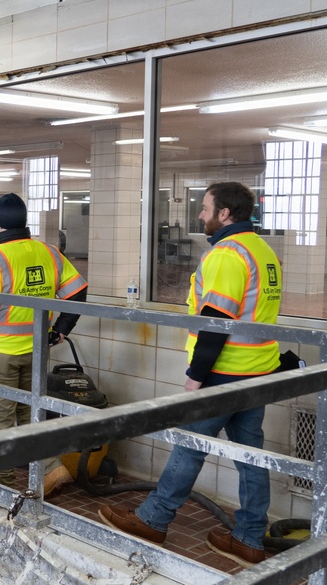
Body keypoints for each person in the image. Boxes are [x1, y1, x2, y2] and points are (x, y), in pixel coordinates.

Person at [99, 182, 281, 568]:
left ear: (225, 213)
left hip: (224, 371)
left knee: (189, 446)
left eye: (205, 207)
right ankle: (248, 538)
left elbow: (216, 321)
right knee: (250, 456)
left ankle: (153, 519)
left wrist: (197, 375)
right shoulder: (264, 251)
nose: (200, 214)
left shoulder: (228, 254)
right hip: (258, 369)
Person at [0, 193, 88, 496]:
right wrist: (60, 330)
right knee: (29, 414)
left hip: (1, 352)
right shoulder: (49, 252)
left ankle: (5, 487)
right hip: (36, 350)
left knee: (2, 421)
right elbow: (78, 293)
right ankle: (52, 468)